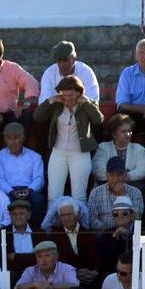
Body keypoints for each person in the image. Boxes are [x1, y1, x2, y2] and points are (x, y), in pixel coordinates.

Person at [33, 76, 102, 204]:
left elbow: (98, 119)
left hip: (80, 154)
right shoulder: (57, 105)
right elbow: (37, 116)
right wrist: (51, 100)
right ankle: (51, 223)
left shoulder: (87, 104)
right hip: (58, 152)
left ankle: (81, 224)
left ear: (78, 93)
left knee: (79, 196)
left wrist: (86, 102)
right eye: (64, 95)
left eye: (71, 95)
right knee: (53, 195)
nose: (67, 98)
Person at [0, 122, 45, 217]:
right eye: (9, 138)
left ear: (23, 138)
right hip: (8, 191)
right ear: (5, 139)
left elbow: (39, 178)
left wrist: (29, 190)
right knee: (3, 199)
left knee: (38, 199)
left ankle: (35, 228)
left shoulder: (35, 157)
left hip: (29, 190)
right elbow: (0, 179)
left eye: (16, 138)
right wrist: (11, 191)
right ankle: (8, 229)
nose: (13, 142)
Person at [87, 157, 145, 231]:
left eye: (119, 175)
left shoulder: (136, 192)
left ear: (125, 175)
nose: (116, 179)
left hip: (128, 233)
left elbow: (137, 216)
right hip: (104, 233)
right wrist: (107, 232)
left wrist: (123, 195)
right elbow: (91, 218)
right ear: (106, 175)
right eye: (112, 175)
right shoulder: (95, 193)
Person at [93, 114, 145, 184]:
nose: (128, 134)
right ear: (114, 134)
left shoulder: (138, 148)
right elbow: (97, 169)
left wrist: (127, 176)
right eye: (123, 131)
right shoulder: (103, 147)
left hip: (132, 185)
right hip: (108, 185)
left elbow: (142, 170)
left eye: (129, 131)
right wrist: (116, 177)